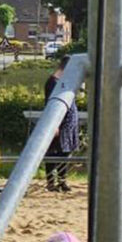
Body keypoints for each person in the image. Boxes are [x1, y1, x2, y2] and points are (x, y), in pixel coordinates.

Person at [43, 56, 79, 192]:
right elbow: (50, 105)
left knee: (65, 152)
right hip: (59, 123)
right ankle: (51, 182)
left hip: (68, 124)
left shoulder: (63, 82)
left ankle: (62, 181)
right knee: (53, 152)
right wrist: (54, 124)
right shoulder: (52, 83)